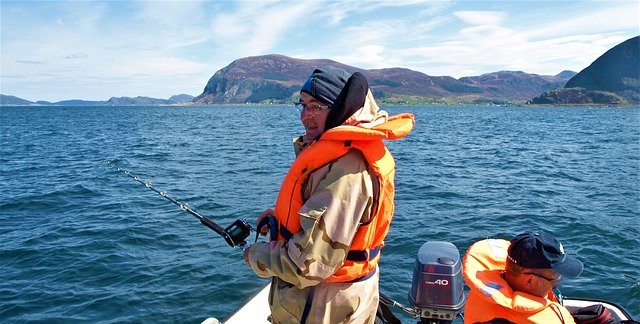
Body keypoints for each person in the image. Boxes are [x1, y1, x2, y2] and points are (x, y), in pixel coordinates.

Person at [243, 66, 414, 324]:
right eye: (302, 105)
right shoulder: (339, 153)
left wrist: (255, 255)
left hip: (325, 308)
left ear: (340, 109)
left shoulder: (349, 169)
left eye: (316, 106)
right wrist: (280, 220)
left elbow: (309, 265)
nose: (304, 116)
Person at [462, 231, 584, 324]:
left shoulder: (482, 293)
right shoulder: (552, 320)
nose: (557, 282)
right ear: (529, 280)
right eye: (556, 277)